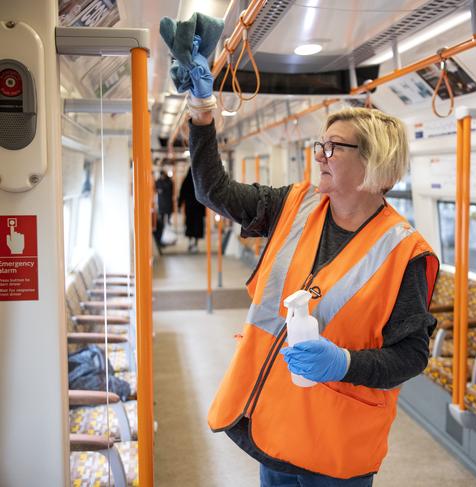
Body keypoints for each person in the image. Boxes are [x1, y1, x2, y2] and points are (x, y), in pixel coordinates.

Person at [161, 15, 439, 486]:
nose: (319, 154)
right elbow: (212, 191)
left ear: (375, 162)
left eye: (334, 147)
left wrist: (346, 363)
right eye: (319, 144)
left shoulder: (404, 251)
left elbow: (411, 355)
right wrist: (203, 109)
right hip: (273, 417)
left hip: (336, 438)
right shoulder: (295, 203)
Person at [177, 167, 205, 252]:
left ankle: (190, 243)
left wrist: (179, 205)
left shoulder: (186, 181)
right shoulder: (200, 181)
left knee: (190, 224)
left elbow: (182, 193)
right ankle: (196, 244)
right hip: (199, 208)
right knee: (198, 225)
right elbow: (204, 195)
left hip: (189, 208)